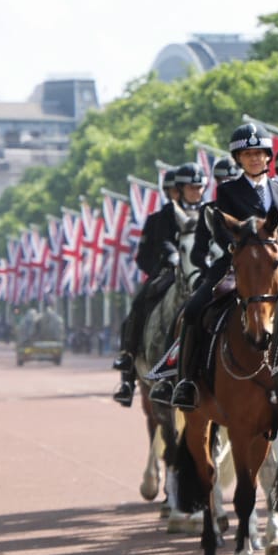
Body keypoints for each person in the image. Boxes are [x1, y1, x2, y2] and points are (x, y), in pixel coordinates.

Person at [167, 123, 278, 409]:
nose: (254, 158)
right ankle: (186, 381)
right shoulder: (228, 191)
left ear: (268, 156)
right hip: (235, 265)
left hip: (277, 267)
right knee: (193, 310)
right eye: (247, 154)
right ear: (239, 159)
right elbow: (222, 231)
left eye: (259, 153)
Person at [112, 164, 203, 406]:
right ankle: (128, 368)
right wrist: (167, 263)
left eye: (197, 187)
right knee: (140, 304)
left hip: (199, 272)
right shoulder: (160, 218)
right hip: (168, 273)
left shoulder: (207, 214)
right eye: (185, 188)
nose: (192, 192)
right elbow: (147, 253)